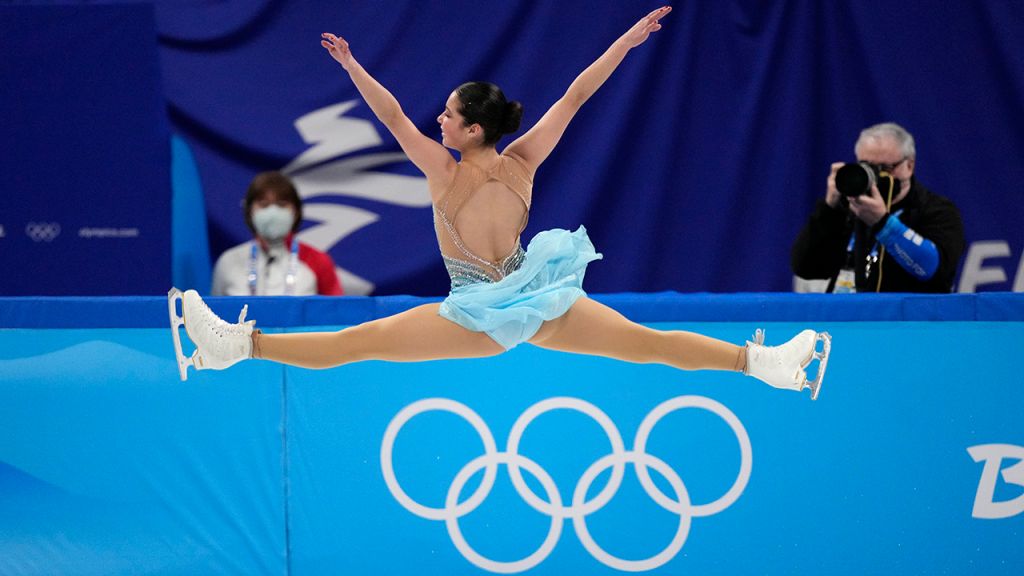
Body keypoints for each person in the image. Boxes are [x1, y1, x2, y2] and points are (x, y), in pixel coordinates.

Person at [170, 7, 831, 398]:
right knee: (647, 345)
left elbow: (573, 95)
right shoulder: (502, 164)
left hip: (506, 305)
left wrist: (624, 47)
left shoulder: (478, 167)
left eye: (450, 115)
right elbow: (402, 114)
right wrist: (352, 69)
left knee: (358, 342)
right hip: (522, 302)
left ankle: (764, 363)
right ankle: (759, 365)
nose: (439, 120)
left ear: (474, 128)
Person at [791, 123, 965, 293]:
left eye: (885, 168)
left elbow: (934, 271)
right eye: (867, 167)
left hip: (907, 319)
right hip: (850, 318)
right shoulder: (849, 208)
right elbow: (806, 268)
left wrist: (883, 223)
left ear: (909, 166)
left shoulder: (937, 211)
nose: (875, 176)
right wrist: (829, 208)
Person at [211, 171, 344, 296]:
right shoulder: (228, 261)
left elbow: (337, 313)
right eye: (263, 204)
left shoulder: (318, 261)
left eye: (282, 204)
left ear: (296, 211)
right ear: (249, 211)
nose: (273, 212)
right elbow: (213, 315)